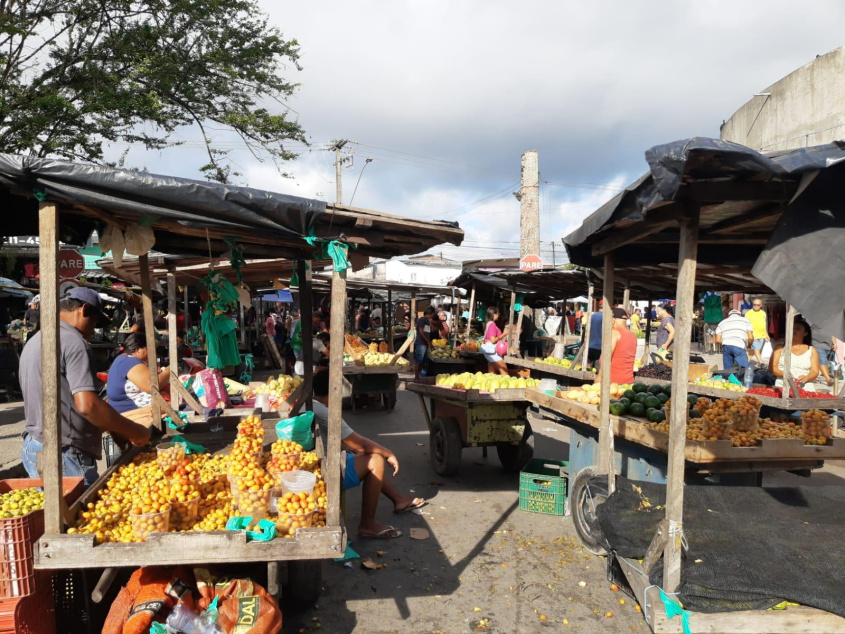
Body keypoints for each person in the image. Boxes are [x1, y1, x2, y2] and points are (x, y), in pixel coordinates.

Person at [19, 288, 151, 486]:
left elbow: (68, 402)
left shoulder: (36, 340)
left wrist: (118, 435)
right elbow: (88, 406)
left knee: (57, 516)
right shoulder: (75, 342)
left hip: (34, 445)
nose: (93, 331)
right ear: (84, 310)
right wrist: (136, 432)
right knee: (80, 514)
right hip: (65, 453)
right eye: (95, 323)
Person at [311, 370, 424, 538]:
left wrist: (343, 446)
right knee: (375, 461)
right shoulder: (326, 412)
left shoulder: (314, 405)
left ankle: (399, 500)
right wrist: (388, 453)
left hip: (322, 460)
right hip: (326, 471)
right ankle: (367, 524)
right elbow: (361, 444)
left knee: (362, 456)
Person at [107, 332, 171, 413]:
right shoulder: (129, 361)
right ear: (138, 349)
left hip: (125, 408)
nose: (152, 354)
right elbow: (152, 386)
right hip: (130, 411)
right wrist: (169, 371)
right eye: (149, 349)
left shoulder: (123, 358)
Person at [769, 317, 819, 392]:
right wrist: (785, 374)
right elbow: (772, 368)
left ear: (805, 333)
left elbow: (815, 371)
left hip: (805, 387)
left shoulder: (812, 350)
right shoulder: (780, 348)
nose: (794, 331)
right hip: (782, 386)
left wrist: (807, 377)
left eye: (798, 329)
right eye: (792, 328)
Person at [594, 308, 636, 385]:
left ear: (613, 320)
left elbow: (606, 357)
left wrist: (599, 376)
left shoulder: (614, 333)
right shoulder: (632, 335)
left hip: (613, 381)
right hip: (629, 380)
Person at [481, 307, 510, 375]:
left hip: (489, 352)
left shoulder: (488, 323)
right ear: (494, 314)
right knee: (504, 373)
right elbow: (493, 340)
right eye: (498, 313)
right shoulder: (492, 324)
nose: (499, 315)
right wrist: (504, 334)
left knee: (491, 374)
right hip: (492, 352)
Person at [807, 319, 834, 385]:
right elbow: (806, 328)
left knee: (823, 362)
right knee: (822, 361)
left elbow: (832, 332)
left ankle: (813, 377)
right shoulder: (811, 317)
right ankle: (828, 379)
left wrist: (834, 343)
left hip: (827, 345)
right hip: (817, 343)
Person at [744, 298, 769, 366]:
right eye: (754, 304)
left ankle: (744, 365)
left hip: (761, 336)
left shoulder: (763, 313)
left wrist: (766, 335)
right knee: (756, 349)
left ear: (761, 305)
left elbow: (764, 325)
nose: (756, 306)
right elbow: (746, 325)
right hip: (752, 336)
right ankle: (761, 363)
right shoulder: (748, 313)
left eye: (758, 305)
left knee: (751, 353)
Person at [414, 306, 435, 379]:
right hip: (421, 343)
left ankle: (421, 375)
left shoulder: (427, 320)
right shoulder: (422, 320)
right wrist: (428, 341)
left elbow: (427, 331)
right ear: (431, 313)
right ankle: (416, 376)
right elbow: (421, 331)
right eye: (433, 314)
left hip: (425, 343)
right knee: (419, 360)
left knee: (423, 360)